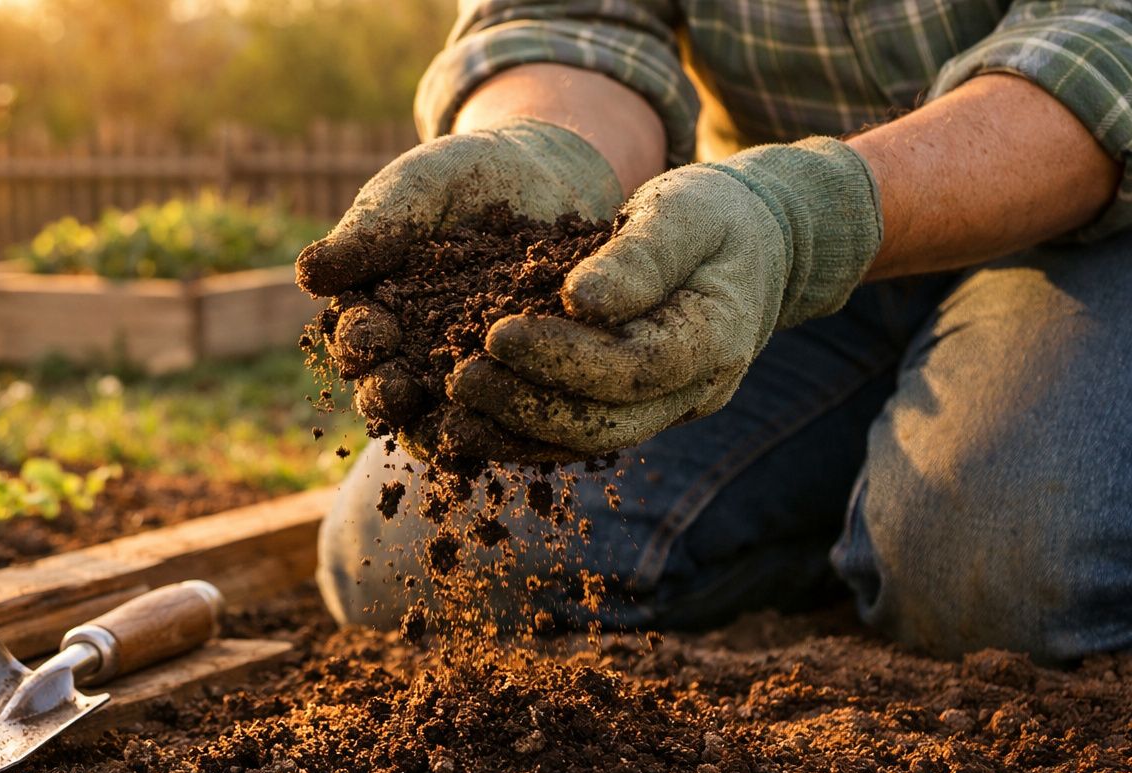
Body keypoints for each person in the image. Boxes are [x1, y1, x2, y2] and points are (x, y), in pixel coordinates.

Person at [302, 1, 1132, 663]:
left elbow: (1104, 48)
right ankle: (861, 519)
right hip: (747, 258)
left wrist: (807, 215)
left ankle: (904, 526)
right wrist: (553, 152)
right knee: (408, 550)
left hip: (1083, 234)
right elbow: (571, 22)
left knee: (1007, 577)